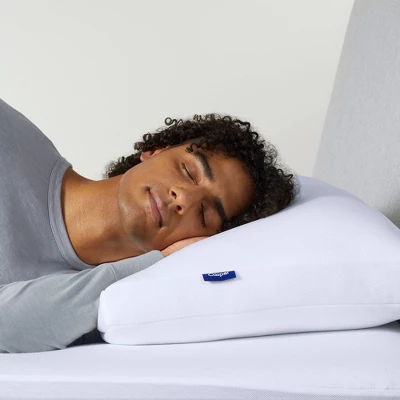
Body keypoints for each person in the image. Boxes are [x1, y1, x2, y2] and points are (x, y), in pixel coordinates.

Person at [0, 98, 299, 353]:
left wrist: (166, 261)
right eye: (189, 172)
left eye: (205, 213)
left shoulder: (97, 310)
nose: (184, 198)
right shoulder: (10, 138)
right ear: (155, 150)